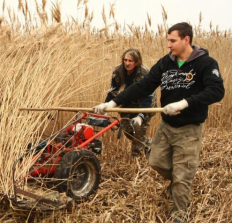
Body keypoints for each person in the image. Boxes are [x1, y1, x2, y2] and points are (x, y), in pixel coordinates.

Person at [94, 22, 225, 222]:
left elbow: (216, 91)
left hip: (189, 128)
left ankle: (179, 214)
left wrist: (184, 103)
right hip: (166, 126)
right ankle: (180, 181)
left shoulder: (205, 63)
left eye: (172, 40)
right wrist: (113, 102)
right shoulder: (166, 63)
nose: (169, 45)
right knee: (155, 162)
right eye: (168, 41)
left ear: (186, 39)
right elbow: (144, 86)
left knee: (182, 176)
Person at [105, 48, 155, 157]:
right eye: (125, 60)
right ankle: (151, 145)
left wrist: (141, 116)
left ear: (137, 62)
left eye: (130, 61)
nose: (127, 63)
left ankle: (137, 161)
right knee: (128, 131)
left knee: (138, 135)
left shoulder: (144, 73)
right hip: (128, 101)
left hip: (145, 103)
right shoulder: (118, 72)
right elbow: (113, 91)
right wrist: (106, 107)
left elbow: (148, 97)